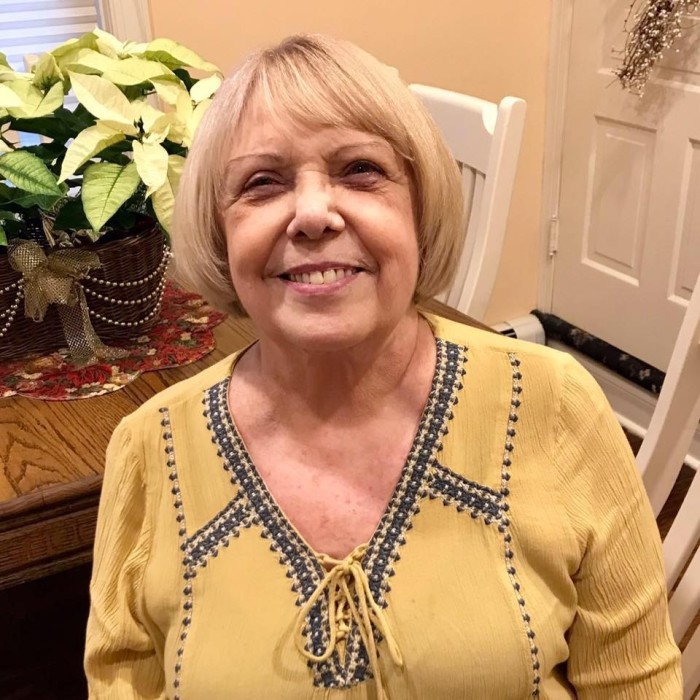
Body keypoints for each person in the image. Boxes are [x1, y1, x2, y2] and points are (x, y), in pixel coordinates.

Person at [84, 34, 682, 699]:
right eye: (262, 182)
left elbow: (635, 682)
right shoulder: (150, 449)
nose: (313, 215)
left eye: (360, 170)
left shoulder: (554, 403)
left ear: (420, 208)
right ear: (219, 230)